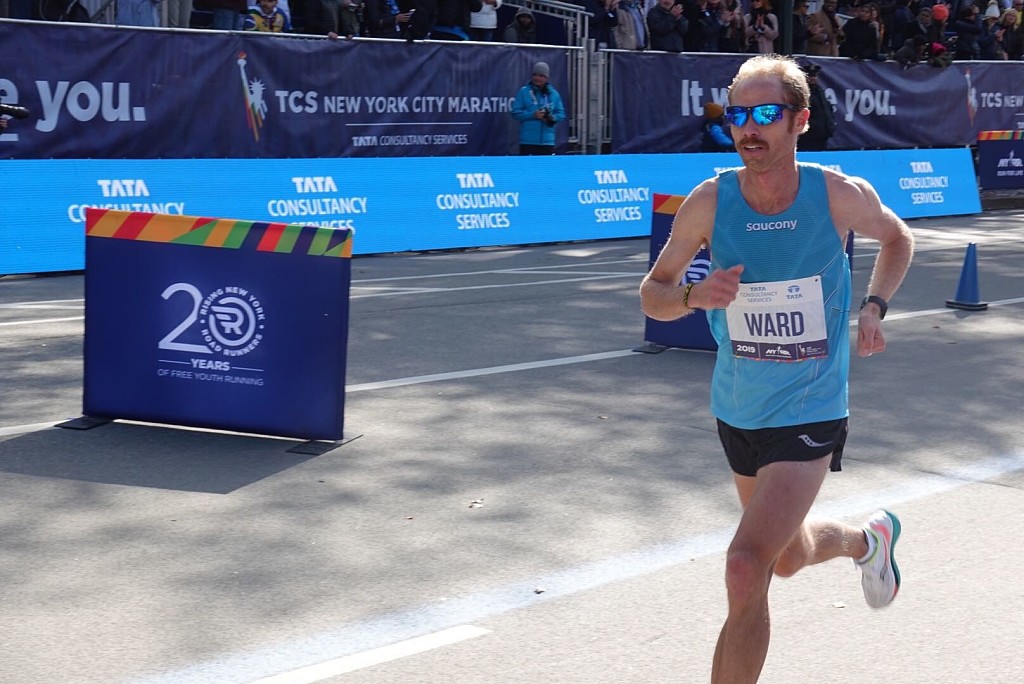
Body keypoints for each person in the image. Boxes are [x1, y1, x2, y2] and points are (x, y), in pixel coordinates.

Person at [639, 54, 914, 684]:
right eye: (736, 115)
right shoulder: (709, 201)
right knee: (785, 558)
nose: (748, 128)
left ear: (800, 121)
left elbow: (898, 238)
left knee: (745, 566)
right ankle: (868, 541)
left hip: (811, 407)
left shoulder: (836, 193)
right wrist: (693, 296)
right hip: (738, 406)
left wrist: (874, 307)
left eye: (766, 113)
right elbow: (653, 294)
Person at [511, 62, 566, 155]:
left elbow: (561, 114)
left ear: (546, 78)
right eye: (535, 75)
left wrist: (551, 118)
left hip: (547, 141)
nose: (537, 78)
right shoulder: (524, 92)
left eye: (541, 76)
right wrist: (533, 115)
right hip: (528, 141)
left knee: (545, 164)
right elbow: (515, 113)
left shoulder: (553, 94)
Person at [797, 62, 834, 149]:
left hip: (823, 134)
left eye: (814, 76)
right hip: (808, 136)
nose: (813, 78)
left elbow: (827, 109)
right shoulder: (802, 92)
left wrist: (830, 124)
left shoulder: (819, 90)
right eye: (810, 76)